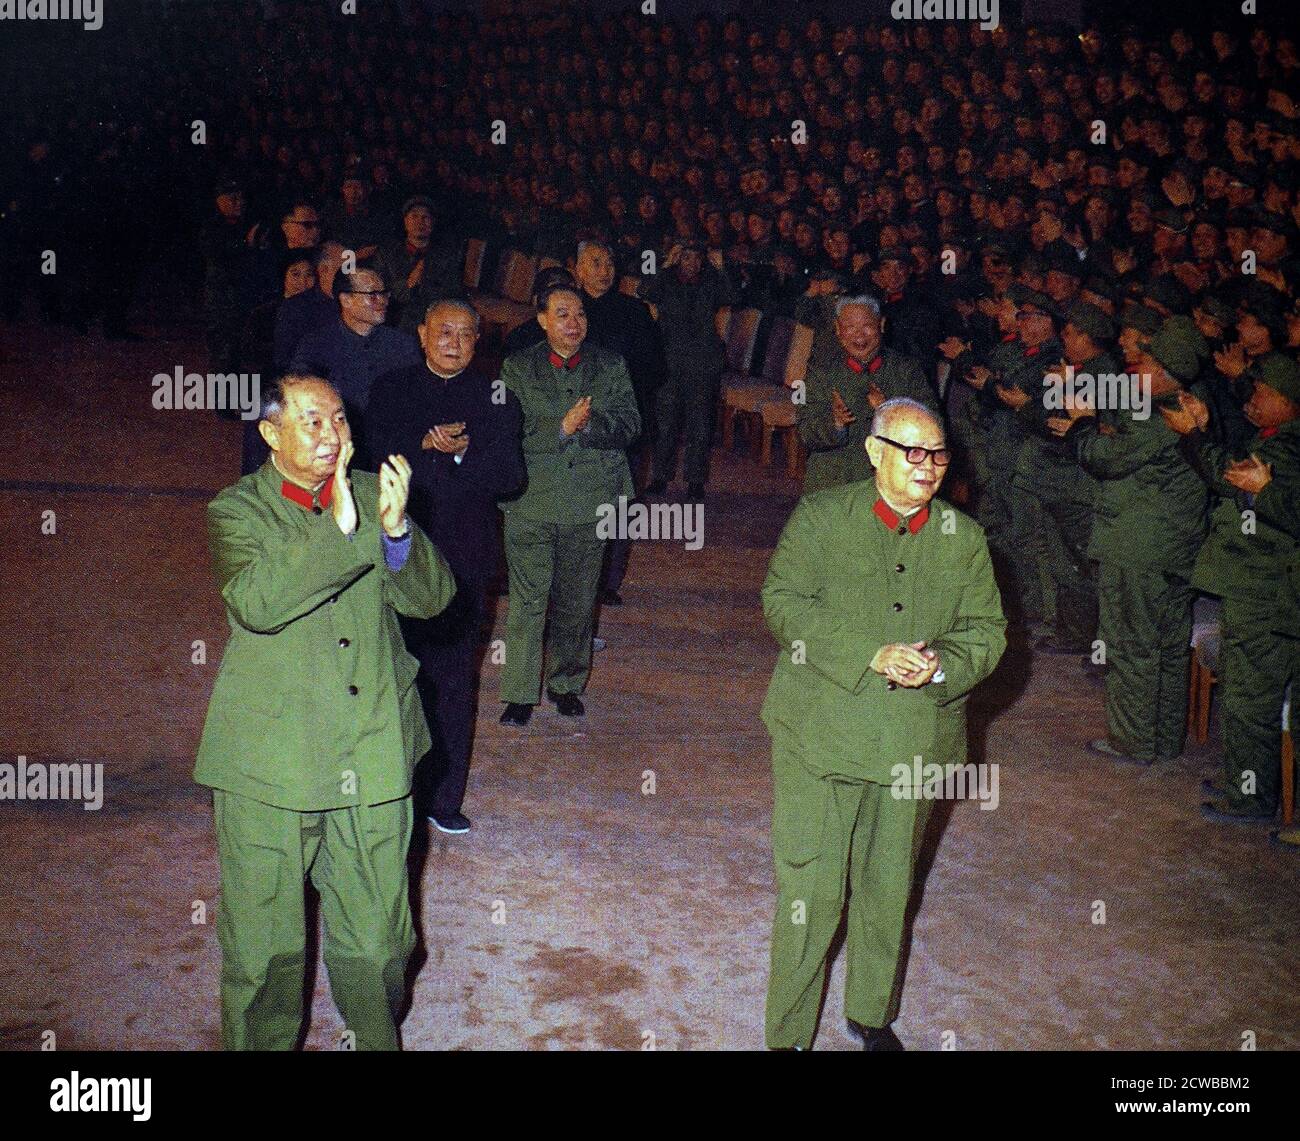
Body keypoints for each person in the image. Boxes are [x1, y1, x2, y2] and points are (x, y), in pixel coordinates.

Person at [194, 374, 456, 1050]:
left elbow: (434, 598)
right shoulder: (235, 510)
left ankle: (369, 1037)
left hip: (371, 751)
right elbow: (257, 601)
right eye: (310, 421)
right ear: (269, 433)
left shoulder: (375, 494)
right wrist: (344, 526)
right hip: (268, 766)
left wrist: (394, 534)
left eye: (338, 419)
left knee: (379, 945)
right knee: (264, 955)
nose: (330, 434)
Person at [761, 397, 1006, 1051]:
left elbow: (987, 632)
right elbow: (782, 602)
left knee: (889, 882)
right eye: (913, 452)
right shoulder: (820, 517)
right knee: (811, 891)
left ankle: (872, 1012)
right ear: (875, 452)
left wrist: (939, 667)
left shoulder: (965, 537)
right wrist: (868, 652)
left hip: (914, 740)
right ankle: (786, 1035)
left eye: (938, 454)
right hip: (821, 732)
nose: (928, 467)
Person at [368, 300, 524, 834]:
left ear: (478, 342)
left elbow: (510, 476)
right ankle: (386, 792)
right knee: (389, 671)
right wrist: (421, 445)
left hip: (464, 556)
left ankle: (442, 797)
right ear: (421, 334)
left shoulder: (496, 396)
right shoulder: (391, 389)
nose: (452, 341)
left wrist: (459, 454)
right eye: (442, 331)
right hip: (396, 553)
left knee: (455, 677)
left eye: (464, 333)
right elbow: (366, 458)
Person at [1055, 321, 1209, 764]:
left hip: (1138, 545)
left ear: (1164, 371)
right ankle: (1161, 738)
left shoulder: (1158, 417)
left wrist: (1083, 426)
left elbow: (1104, 458)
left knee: (1132, 642)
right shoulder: (1183, 406)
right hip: (1171, 545)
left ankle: (1134, 741)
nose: (1131, 371)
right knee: (1167, 644)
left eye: (1141, 364)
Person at [1162, 352, 1300, 821]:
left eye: (1264, 393)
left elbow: (1230, 474)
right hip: (1258, 587)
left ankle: (1251, 799)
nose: (1254, 400)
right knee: (1245, 695)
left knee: (1250, 699)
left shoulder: (1290, 448)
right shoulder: (1278, 438)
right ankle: (1246, 784)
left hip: (1268, 591)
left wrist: (1196, 436)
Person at [498, 283, 641, 726]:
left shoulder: (610, 364)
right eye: (562, 314)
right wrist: (560, 428)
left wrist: (589, 424)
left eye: (579, 314)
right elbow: (506, 431)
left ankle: (566, 684)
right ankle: (520, 694)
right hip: (532, 501)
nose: (573, 323)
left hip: (590, 500)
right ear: (541, 319)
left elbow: (632, 424)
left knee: (578, 600)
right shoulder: (517, 368)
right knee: (528, 600)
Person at [573, 238, 665, 603]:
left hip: (622, 423)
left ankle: (608, 581)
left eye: (609, 263)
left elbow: (657, 369)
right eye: (594, 263)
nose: (604, 271)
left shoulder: (635, 313)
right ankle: (576, 578)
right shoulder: (568, 310)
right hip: (575, 422)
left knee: (618, 502)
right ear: (577, 269)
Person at [797, 294, 936, 494]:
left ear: (881, 324)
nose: (859, 336)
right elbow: (805, 431)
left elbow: (932, 427)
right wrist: (835, 423)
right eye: (850, 327)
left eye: (867, 326)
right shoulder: (820, 372)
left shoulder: (906, 371)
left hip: (891, 478)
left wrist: (890, 414)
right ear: (838, 329)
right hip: (834, 478)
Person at [290, 267, 422, 469]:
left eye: (384, 293)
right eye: (372, 295)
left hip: (393, 449)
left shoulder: (403, 344)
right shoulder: (316, 346)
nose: (383, 301)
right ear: (346, 300)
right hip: (339, 447)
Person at [640, 241, 737, 500]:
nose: (691, 263)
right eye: (685, 257)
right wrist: (665, 265)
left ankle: (695, 480)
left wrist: (720, 268)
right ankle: (661, 476)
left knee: (700, 423)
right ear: (678, 258)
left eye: (696, 258)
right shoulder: (666, 280)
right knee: (666, 421)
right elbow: (644, 290)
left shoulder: (710, 280)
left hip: (702, 361)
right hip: (670, 359)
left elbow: (730, 297)